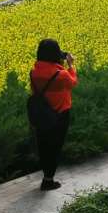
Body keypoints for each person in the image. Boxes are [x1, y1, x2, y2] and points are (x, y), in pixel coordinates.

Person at [30, 38, 78, 191]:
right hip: (59, 114)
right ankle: (48, 180)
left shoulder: (34, 72)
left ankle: (46, 175)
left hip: (40, 113)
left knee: (43, 145)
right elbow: (72, 82)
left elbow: (36, 88)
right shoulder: (61, 74)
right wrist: (70, 65)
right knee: (55, 147)